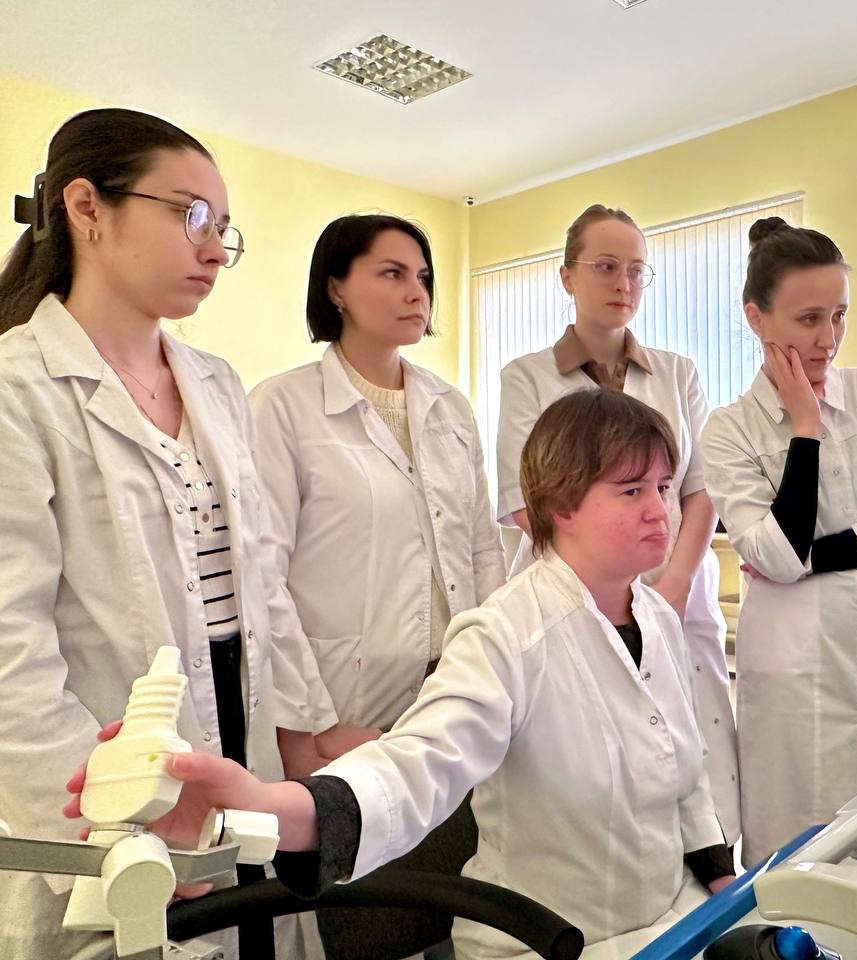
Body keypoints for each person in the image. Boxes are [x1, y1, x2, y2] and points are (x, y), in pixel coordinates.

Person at [67, 389, 736, 960]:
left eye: (663, 488)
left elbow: (682, 768)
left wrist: (718, 875)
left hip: (676, 921)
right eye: (631, 491)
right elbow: (415, 766)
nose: (661, 511)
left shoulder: (655, 617)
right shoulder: (505, 635)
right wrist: (269, 805)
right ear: (562, 504)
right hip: (547, 941)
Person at [0, 107, 305, 959]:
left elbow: (262, 582)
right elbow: (9, 656)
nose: (215, 250)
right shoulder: (17, 387)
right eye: (191, 215)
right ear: (86, 208)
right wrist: (117, 814)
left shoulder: (216, 382)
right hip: (104, 772)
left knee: (251, 931)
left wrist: (301, 742)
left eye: (224, 229)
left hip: (239, 741)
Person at [249, 213, 506, 954]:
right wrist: (309, 728)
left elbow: (482, 550)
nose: (416, 292)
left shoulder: (449, 408)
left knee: (449, 890)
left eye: (422, 276)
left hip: (447, 685)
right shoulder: (283, 407)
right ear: (336, 287)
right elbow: (263, 578)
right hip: (341, 697)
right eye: (392, 273)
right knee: (352, 905)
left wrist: (498, 671)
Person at [701, 217, 857, 866]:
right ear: (756, 318)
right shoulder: (730, 430)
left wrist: (812, 559)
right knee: (798, 862)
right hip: (796, 677)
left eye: (838, 316)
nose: (828, 339)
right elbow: (774, 555)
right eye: (809, 319)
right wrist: (805, 429)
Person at [495, 204, 740, 844]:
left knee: (697, 758)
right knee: (595, 763)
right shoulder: (527, 377)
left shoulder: (678, 373)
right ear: (567, 276)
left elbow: (700, 488)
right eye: (605, 267)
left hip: (677, 587)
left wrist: (675, 583)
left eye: (636, 270)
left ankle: (711, 872)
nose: (623, 283)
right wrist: (610, 585)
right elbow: (527, 500)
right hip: (577, 596)